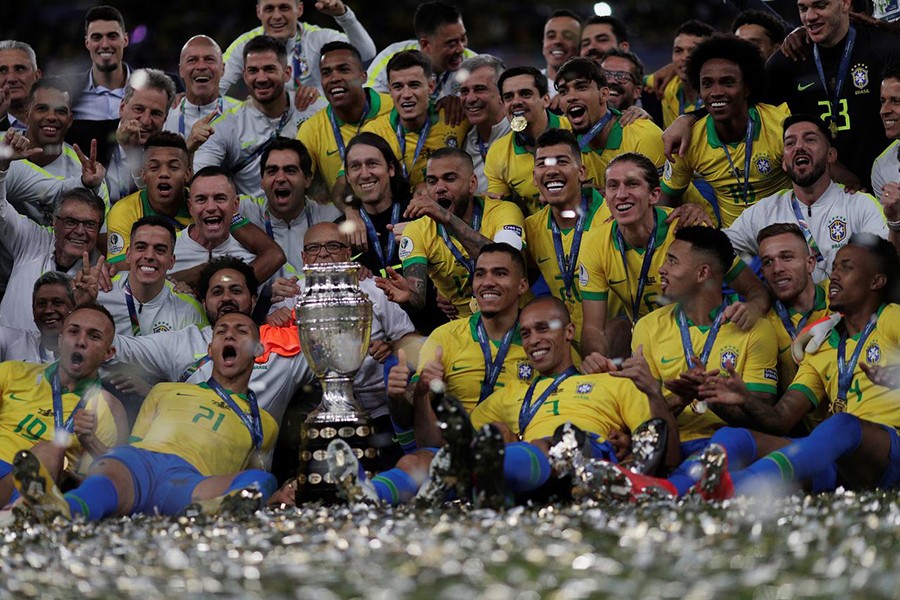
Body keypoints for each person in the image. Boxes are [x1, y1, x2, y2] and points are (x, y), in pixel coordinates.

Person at [13, 311, 280, 522]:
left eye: (240, 331)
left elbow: (252, 478)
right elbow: (128, 448)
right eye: (221, 331)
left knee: (264, 481)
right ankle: (63, 511)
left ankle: (213, 509)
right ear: (210, 350)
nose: (229, 336)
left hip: (191, 480)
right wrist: (92, 441)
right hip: (137, 464)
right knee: (111, 472)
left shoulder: (264, 423)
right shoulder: (165, 390)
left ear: (258, 351)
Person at [326, 243, 536, 505]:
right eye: (480, 274)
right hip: (450, 453)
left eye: (500, 273)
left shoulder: (537, 340)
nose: (487, 282)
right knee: (413, 460)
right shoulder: (446, 337)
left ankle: (461, 487)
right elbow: (425, 439)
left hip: (511, 454)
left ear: (523, 285)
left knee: (497, 432)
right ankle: (367, 493)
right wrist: (414, 391)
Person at [696, 235, 900, 498]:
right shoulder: (821, 346)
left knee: (842, 425)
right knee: (732, 437)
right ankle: (673, 487)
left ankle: (734, 487)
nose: (835, 275)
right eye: (835, 267)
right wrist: (743, 400)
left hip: (890, 452)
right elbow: (781, 418)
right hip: (844, 464)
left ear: (877, 281)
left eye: (847, 268)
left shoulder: (891, 318)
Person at [629, 226, 778, 493]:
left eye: (672, 261)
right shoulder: (648, 327)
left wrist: (711, 396)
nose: (662, 269)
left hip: (735, 452)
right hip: (672, 448)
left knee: (726, 439)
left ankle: (669, 489)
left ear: (702, 273)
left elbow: (765, 423)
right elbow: (644, 423)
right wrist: (682, 398)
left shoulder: (754, 328)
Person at [580, 153, 770, 359]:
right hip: (650, 334)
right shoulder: (594, 243)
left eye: (632, 184)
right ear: (605, 196)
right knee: (616, 330)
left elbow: (756, 291)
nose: (621, 194)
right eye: (613, 186)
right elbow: (593, 328)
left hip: (702, 330)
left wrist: (753, 308)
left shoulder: (689, 228)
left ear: (654, 195)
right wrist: (595, 362)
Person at [110, 256, 314, 426]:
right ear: (203, 302)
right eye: (217, 292)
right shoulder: (185, 342)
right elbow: (116, 346)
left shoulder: (282, 343)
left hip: (248, 469)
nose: (226, 298)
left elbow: (336, 355)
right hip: (183, 457)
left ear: (253, 300)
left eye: (236, 291)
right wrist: (82, 305)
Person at [268, 222, 418, 433]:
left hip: (378, 408)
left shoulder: (373, 289)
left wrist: (392, 347)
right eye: (313, 248)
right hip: (314, 406)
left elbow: (411, 340)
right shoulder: (292, 295)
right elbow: (267, 344)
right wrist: (272, 319)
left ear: (348, 253)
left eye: (333, 246)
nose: (323, 254)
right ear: (304, 258)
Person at [727, 114, 892, 283]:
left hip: (846, 308)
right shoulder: (765, 211)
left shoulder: (860, 205)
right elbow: (716, 249)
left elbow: (887, 260)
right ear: (784, 163)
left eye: (810, 140)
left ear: (831, 155)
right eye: (790, 143)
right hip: (789, 309)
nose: (799, 146)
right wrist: (755, 292)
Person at [0, 303, 128, 507]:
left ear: (108, 353)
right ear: (60, 340)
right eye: (73, 331)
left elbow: (107, 484)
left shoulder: (107, 407)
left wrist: (90, 441)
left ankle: (18, 518)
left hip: (28, 483)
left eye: (94, 336)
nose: (80, 341)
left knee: (50, 451)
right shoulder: (14, 372)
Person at [764, 0, 900, 191]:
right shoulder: (787, 60)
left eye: (820, 6)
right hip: (820, 193)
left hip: (886, 184)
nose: (810, 17)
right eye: (803, 8)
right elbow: (758, 123)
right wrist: (829, 164)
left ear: (845, 3)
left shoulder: (886, 49)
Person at [660, 34, 792, 228]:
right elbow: (666, 200)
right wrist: (685, 212)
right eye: (707, 84)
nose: (716, 92)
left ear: (747, 88)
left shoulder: (780, 126)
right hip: (734, 244)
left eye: (727, 82)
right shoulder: (688, 139)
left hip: (786, 238)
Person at [382, 148, 525, 320]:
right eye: (432, 181)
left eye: (450, 179)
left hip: (516, 320)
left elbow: (506, 262)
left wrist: (448, 219)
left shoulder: (504, 211)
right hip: (462, 331)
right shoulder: (417, 230)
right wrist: (407, 299)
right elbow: (416, 299)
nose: (440, 188)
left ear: (472, 184)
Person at [105, 133, 276, 272]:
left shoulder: (206, 203)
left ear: (187, 174)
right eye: (154, 167)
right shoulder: (123, 210)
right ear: (143, 175)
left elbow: (273, 253)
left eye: (173, 167)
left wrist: (243, 282)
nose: (164, 174)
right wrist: (199, 273)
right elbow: (119, 268)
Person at [524, 129, 611, 356]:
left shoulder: (614, 216)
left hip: (613, 342)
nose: (551, 171)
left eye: (561, 162)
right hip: (564, 347)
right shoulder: (531, 228)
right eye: (542, 164)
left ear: (581, 172)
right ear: (534, 177)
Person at [193, 35, 308, 198]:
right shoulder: (225, 125)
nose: (261, 78)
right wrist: (189, 149)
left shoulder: (312, 107)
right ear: (245, 75)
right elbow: (199, 179)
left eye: (269, 69)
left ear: (287, 73)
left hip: (307, 214)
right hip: (250, 219)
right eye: (253, 71)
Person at [0, 169, 107, 333]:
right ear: (54, 222)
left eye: (89, 224)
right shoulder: (31, 240)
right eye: (71, 222)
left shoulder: (101, 277)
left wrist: (85, 305)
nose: (80, 231)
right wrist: (2, 167)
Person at [220, 0, 375, 105]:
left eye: (284, 7)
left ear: (299, 9)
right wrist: (241, 110)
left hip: (315, 122)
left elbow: (366, 53)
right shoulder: (245, 44)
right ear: (258, 12)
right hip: (267, 124)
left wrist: (344, 16)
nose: (277, 16)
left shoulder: (318, 38)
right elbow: (217, 86)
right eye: (269, 9)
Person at [361, 50, 470, 191]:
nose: (406, 94)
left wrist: (458, 100)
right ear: (390, 91)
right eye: (398, 87)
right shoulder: (373, 134)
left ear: (430, 87)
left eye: (414, 85)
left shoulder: (455, 117)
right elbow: (350, 180)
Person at [7, 77, 111, 225]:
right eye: (42, 108)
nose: (51, 117)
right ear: (26, 114)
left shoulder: (89, 174)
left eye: (60, 111)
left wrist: (88, 184)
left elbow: (100, 240)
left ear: (70, 120)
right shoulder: (3, 147)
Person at [295, 41, 392, 199]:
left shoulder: (393, 109)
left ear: (363, 76)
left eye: (343, 70)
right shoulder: (311, 129)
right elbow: (296, 180)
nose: (334, 78)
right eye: (326, 73)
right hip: (345, 215)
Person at [554, 57, 665, 190]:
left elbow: (663, 198)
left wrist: (597, 198)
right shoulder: (563, 144)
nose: (571, 97)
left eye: (581, 87)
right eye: (563, 91)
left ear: (604, 94)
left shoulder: (644, 135)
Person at [240, 137, 341, 275]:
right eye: (272, 171)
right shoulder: (244, 211)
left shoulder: (332, 217)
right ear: (262, 181)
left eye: (290, 170)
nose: (281, 178)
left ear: (307, 179)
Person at [170, 166, 285, 284]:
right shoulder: (168, 248)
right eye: (201, 199)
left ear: (235, 204)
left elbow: (295, 284)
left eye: (220, 198)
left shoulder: (256, 258)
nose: (211, 207)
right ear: (190, 207)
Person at [755, 224, 830, 404]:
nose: (777, 269)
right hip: (793, 425)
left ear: (810, 263)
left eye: (786, 257)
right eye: (768, 262)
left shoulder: (840, 298)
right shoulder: (762, 322)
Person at [96, 217, 206, 336]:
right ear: (128, 254)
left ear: (171, 261)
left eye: (160, 250)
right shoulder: (100, 292)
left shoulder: (189, 309)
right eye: (141, 247)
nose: (149, 256)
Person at [484, 66, 572, 216]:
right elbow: (497, 206)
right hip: (538, 234)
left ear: (545, 100)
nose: (516, 102)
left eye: (525, 94)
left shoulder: (574, 130)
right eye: (508, 97)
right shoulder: (498, 152)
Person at [366, 1, 476, 101]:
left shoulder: (474, 63)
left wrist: (462, 105)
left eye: (463, 39)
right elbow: (369, 105)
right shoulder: (390, 59)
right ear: (425, 44)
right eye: (452, 43)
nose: (461, 48)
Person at [105, 69, 177, 203]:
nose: (145, 120)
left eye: (156, 113)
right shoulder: (90, 138)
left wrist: (133, 152)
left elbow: (160, 204)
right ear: (122, 108)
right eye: (139, 109)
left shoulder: (170, 154)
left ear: (165, 118)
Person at [163, 35, 240, 140]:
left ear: (222, 69)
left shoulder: (242, 117)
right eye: (192, 60)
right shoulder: (165, 117)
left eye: (209, 59)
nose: (201, 66)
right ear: (181, 70)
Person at [458, 55, 510, 195]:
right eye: (464, 91)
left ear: (502, 93)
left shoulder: (522, 134)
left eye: (480, 89)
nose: (470, 99)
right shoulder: (462, 140)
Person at [0, 272, 76, 363]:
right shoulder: (11, 341)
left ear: (73, 308)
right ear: (33, 310)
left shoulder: (85, 351)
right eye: (41, 304)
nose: (48, 310)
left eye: (57, 303)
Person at [657, 20, 715, 129]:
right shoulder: (667, 85)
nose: (684, 58)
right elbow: (633, 80)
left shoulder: (719, 98)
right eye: (678, 51)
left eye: (693, 51)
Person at [871, 62, 900, 204]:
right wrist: (895, 219)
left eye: (895, 101)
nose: (884, 110)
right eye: (883, 101)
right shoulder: (882, 168)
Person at [0, 41, 42, 132]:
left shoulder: (60, 122)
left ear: (37, 76)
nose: (11, 78)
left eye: (20, 69)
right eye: (2, 71)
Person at [541, 10, 582, 99]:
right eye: (551, 36)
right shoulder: (526, 85)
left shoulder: (591, 87)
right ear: (543, 44)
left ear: (580, 45)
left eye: (568, 36)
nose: (557, 41)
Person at [600, 48, 646, 112]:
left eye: (622, 76)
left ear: (637, 91)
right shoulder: (582, 116)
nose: (611, 81)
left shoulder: (646, 120)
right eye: (606, 74)